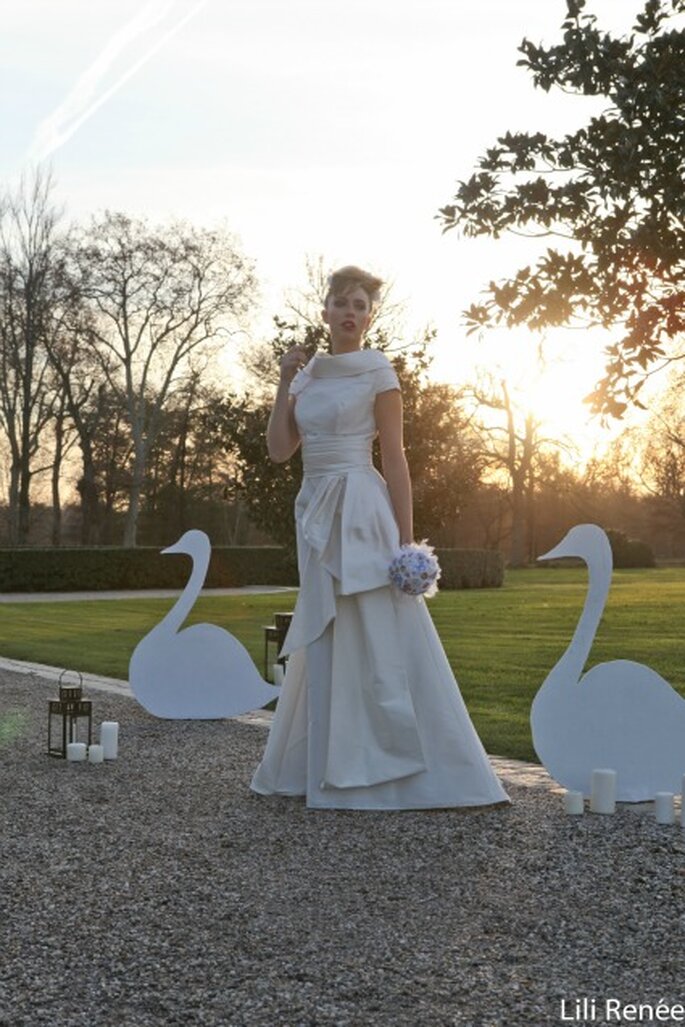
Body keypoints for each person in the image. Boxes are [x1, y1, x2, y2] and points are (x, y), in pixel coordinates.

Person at [250, 265, 509, 810]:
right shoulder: (307, 375)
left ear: (370, 316)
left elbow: (394, 457)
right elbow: (279, 450)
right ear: (324, 310)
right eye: (342, 302)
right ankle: (323, 767)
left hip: (363, 509)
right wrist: (282, 384)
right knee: (327, 630)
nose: (350, 312)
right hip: (314, 509)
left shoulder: (378, 372)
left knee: (377, 626)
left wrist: (408, 546)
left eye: (361, 305)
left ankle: (404, 766)